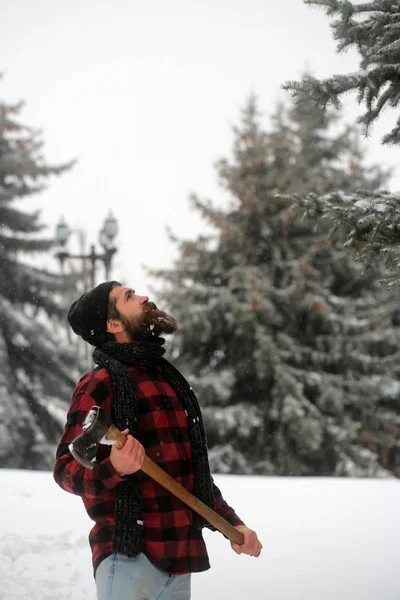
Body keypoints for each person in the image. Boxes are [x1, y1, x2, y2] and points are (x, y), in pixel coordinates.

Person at [53, 281, 262, 600]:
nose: (144, 297)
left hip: (179, 563)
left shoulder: (169, 380)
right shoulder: (100, 383)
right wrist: (114, 468)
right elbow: (65, 470)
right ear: (114, 324)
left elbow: (192, 478)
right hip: (127, 561)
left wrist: (232, 524)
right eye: (129, 297)